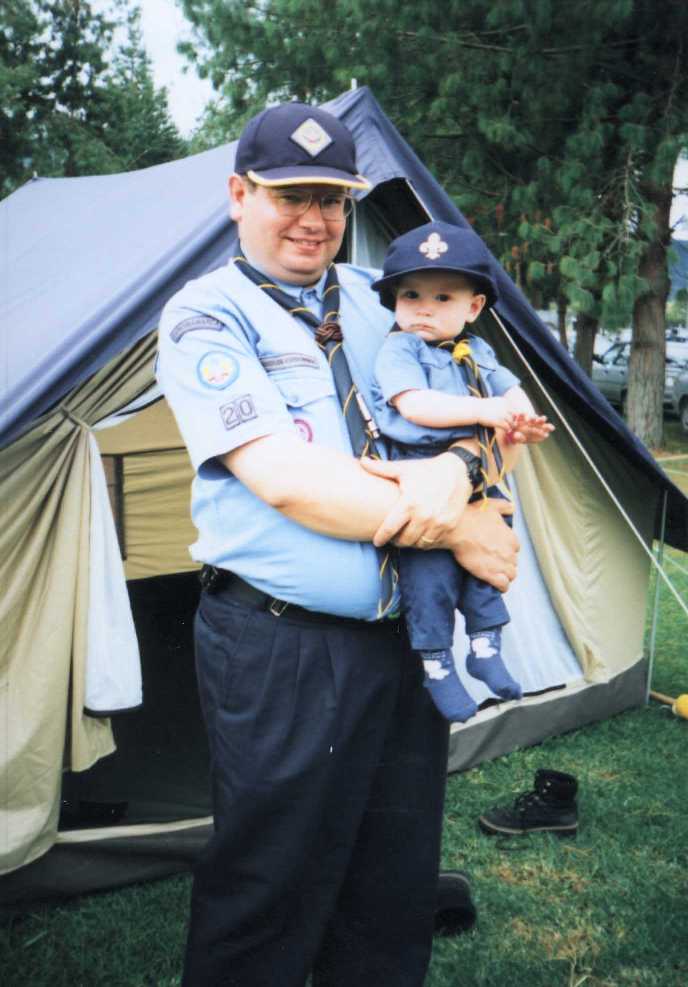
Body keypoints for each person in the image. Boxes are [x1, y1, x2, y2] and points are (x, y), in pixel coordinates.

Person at [156, 101, 519, 987]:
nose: (315, 219)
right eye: (290, 195)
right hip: (283, 645)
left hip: (405, 643)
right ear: (239, 193)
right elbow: (287, 478)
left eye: (333, 197)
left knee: (391, 891)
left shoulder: (383, 297)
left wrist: (466, 470)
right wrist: (460, 518)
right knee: (268, 890)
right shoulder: (206, 317)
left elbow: (479, 403)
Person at [371, 222, 554, 722]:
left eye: (442, 296)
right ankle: (437, 664)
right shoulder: (400, 348)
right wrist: (485, 413)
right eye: (410, 295)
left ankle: (485, 644)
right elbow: (415, 406)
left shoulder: (477, 350)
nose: (423, 308)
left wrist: (522, 421)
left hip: (476, 481)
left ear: (473, 308)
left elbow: (510, 392)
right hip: (420, 473)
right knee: (428, 575)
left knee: (490, 557)